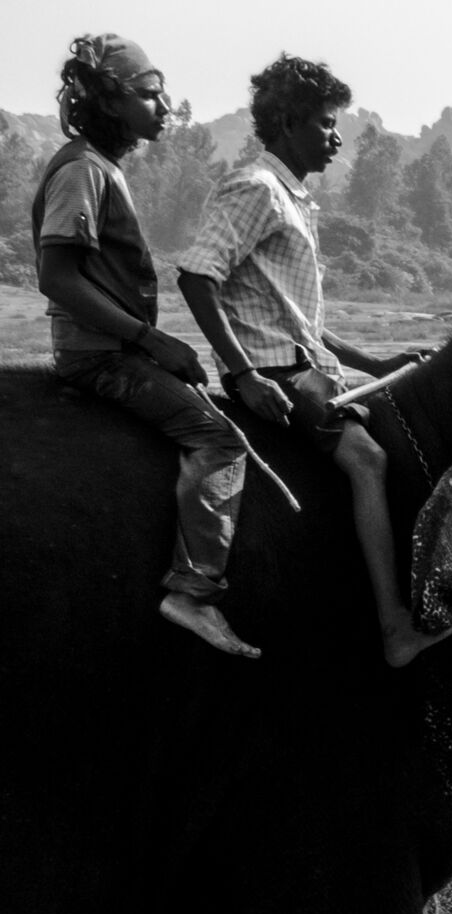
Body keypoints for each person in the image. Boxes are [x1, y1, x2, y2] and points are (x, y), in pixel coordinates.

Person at [176, 55, 452, 668]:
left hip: (300, 361)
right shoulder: (256, 188)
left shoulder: (294, 198)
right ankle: (394, 628)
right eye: (327, 123)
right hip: (276, 372)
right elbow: (197, 275)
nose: (336, 137)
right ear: (288, 122)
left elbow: (306, 324)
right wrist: (244, 373)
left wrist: (377, 362)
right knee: (367, 459)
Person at [33, 35, 256, 658]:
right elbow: (56, 277)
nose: (164, 106)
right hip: (99, 355)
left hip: (119, 348)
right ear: (109, 101)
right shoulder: (82, 170)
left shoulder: (103, 169)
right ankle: (195, 589)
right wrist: (151, 339)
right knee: (220, 439)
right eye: (150, 94)